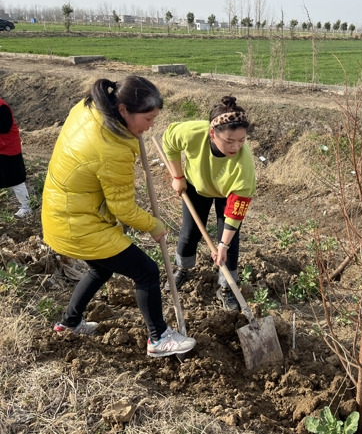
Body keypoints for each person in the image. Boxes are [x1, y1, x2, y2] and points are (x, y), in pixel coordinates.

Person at [42, 76, 196, 358]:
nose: (151, 126)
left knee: (101, 268)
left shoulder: (91, 108)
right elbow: (123, 209)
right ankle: (158, 338)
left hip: (62, 211)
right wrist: (154, 225)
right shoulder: (111, 149)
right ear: (124, 110)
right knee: (147, 272)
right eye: (148, 119)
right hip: (79, 224)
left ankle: (69, 322)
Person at [162, 96, 256, 311]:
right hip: (197, 185)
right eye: (230, 141)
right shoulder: (193, 132)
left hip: (227, 195)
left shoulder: (244, 167)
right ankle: (182, 269)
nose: (236, 146)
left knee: (229, 244)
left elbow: (236, 210)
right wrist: (177, 177)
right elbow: (169, 141)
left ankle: (226, 287)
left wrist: (222, 245)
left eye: (242, 140)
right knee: (190, 232)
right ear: (212, 134)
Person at [0, 98, 31, 218]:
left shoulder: (2, 107)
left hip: (8, 148)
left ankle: (26, 206)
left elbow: (5, 127)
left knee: (16, 180)